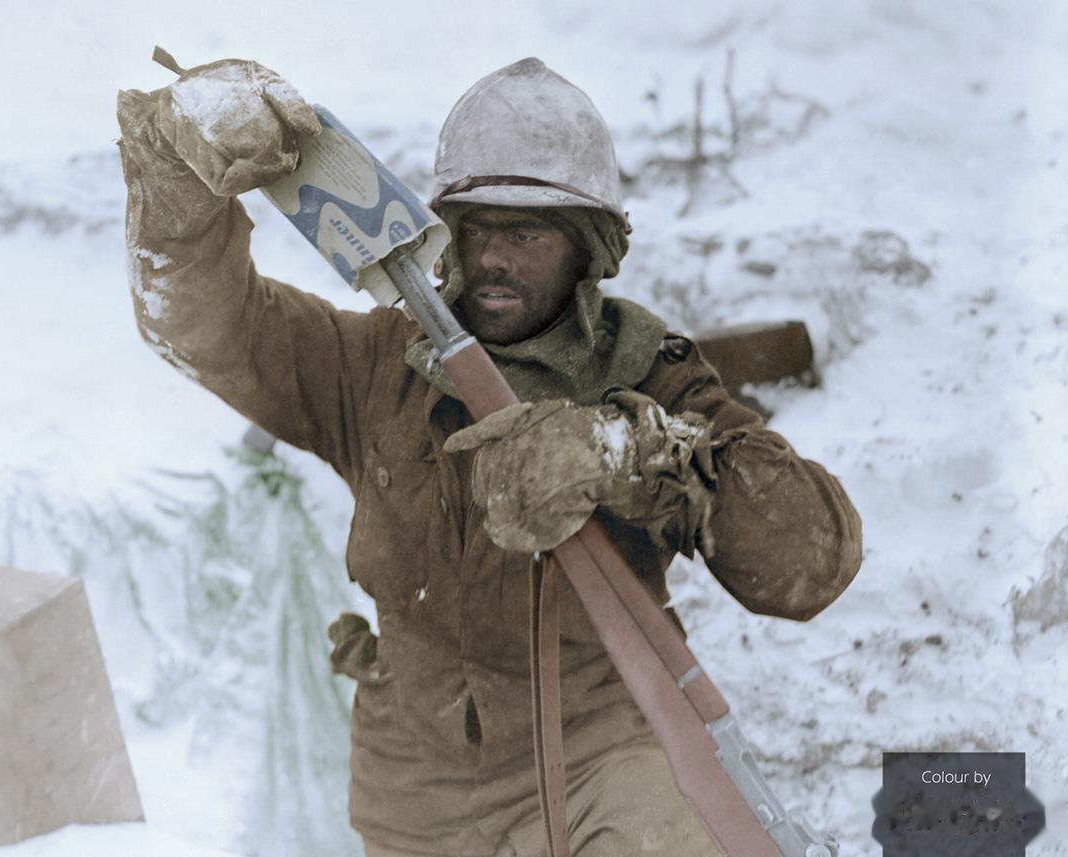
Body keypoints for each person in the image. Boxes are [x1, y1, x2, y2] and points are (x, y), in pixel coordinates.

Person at [116, 56, 862, 857]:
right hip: (418, 785)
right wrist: (174, 185)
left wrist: (627, 454)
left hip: (603, 758)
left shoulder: (651, 374)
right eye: (478, 228)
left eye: (528, 232)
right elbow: (201, 327)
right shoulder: (375, 365)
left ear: (586, 250)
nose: (496, 257)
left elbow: (809, 561)